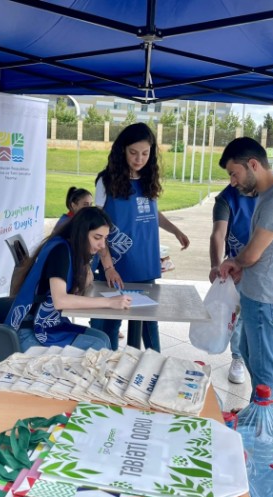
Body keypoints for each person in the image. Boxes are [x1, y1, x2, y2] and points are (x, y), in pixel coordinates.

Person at [91, 123, 190, 352]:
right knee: (108, 323)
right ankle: (108, 366)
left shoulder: (147, 178)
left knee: (147, 321)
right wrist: (108, 267)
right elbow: (97, 225)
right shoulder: (106, 181)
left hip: (144, 264)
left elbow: (151, 212)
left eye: (145, 153)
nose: (139, 159)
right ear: (122, 151)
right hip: (115, 265)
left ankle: (153, 363)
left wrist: (174, 230)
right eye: (133, 153)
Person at [217, 137, 273, 395]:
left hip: (267, 297)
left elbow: (252, 253)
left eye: (234, 173)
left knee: (263, 369)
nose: (233, 181)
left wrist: (234, 262)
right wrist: (240, 265)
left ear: (253, 164)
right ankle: (258, 415)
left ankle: (263, 427)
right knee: (251, 357)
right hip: (257, 293)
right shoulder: (267, 195)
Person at [6, 206, 131, 352]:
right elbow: (61, 300)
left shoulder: (69, 248)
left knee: (103, 338)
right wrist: (109, 302)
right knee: (98, 346)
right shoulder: (60, 251)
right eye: (97, 237)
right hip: (29, 331)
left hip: (47, 324)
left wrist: (85, 262)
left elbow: (85, 283)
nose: (102, 245)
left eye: (105, 238)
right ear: (81, 233)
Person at [209, 184, 257, 384]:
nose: (233, 180)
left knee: (265, 314)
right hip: (236, 266)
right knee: (238, 315)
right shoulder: (226, 198)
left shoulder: (272, 190)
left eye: (234, 173)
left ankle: (266, 353)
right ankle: (238, 357)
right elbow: (218, 234)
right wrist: (216, 265)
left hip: (266, 265)